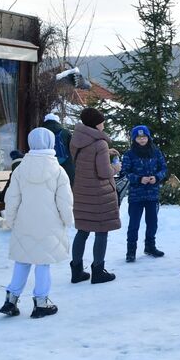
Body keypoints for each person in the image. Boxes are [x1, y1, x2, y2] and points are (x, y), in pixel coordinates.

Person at [0, 128, 74, 319]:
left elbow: (12, 197)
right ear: (51, 143)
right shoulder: (58, 170)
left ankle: (11, 299)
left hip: (24, 222)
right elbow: (64, 200)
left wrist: (11, 219)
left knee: (22, 260)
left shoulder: (21, 169)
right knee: (43, 263)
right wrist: (68, 220)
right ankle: (41, 302)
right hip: (49, 225)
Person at [69, 107, 122, 284]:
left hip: (82, 190)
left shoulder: (76, 139)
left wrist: (106, 154)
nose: (104, 123)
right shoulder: (100, 143)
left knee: (82, 230)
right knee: (101, 231)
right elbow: (103, 171)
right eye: (102, 121)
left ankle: (76, 271)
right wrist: (115, 167)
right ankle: (98, 271)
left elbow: (86, 159)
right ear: (96, 123)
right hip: (99, 194)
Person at [120, 125, 167, 262]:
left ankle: (150, 246)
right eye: (139, 137)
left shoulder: (156, 152)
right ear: (134, 139)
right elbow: (125, 173)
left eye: (144, 137)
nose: (142, 140)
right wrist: (139, 179)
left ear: (148, 137)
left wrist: (157, 177)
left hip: (152, 194)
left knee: (152, 223)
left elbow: (163, 168)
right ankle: (131, 251)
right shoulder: (129, 154)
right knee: (134, 224)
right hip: (136, 196)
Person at [42, 113, 75, 184]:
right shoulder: (65, 132)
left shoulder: (40, 132)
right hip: (65, 164)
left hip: (45, 165)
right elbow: (72, 148)